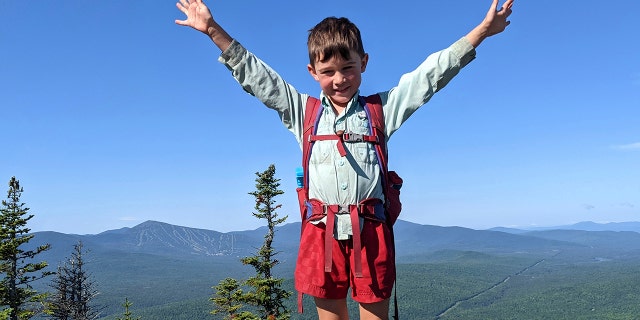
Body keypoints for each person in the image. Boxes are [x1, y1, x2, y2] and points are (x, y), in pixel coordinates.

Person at [175, 0, 513, 319]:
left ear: (363, 63)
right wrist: (212, 29)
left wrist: (481, 32)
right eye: (328, 70)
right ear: (313, 71)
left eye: (348, 67)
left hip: (371, 233)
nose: (339, 79)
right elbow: (261, 80)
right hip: (321, 234)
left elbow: (430, 76)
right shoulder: (303, 113)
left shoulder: (381, 110)